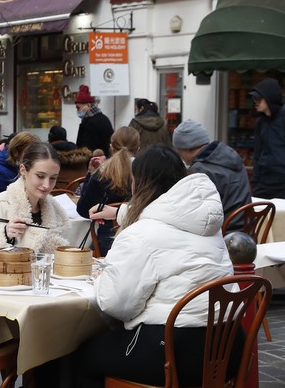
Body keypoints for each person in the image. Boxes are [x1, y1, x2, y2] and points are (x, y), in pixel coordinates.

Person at [70, 145, 234, 387]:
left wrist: (102, 276)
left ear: (141, 183)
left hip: (175, 353)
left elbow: (117, 304)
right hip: (225, 345)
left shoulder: (142, 234)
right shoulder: (206, 225)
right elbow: (164, 219)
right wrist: (119, 213)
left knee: (77, 356)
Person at [0, 141, 69, 270]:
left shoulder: (57, 212)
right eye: (40, 176)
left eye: (53, 178)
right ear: (23, 170)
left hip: (45, 285)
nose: (46, 185)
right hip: (2, 285)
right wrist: (4, 235)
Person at [173, 119, 251, 232]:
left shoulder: (200, 170)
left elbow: (194, 214)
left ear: (186, 149)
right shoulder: (231, 156)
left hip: (224, 234)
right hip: (247, 229)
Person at [76, 126, 140, 256]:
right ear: (138, 149)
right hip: (139, 239)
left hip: (107, 242)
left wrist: (91, 173)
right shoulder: (144, 172)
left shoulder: (101, 173)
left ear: (111, 147)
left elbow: (83, 210)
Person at [0, 131, 39, 208]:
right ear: (15, 152)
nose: (34, 158)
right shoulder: (0, 173)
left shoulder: (22, 168)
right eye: (29, 154)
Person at [250, 78, 285, 198]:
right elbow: (257, 154)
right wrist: (255, 179)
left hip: (282, 182)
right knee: (258, 214)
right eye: (254, 98)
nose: (256, 102)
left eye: (259, 98)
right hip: (264, 182)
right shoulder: (260, 123)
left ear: (269, 98)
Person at [75, 85, 114, 157]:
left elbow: (87, 150)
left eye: (78, 108)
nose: (77, 111)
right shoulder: (104, 118)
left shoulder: (91, 123)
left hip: (95, 162)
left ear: (88, 105)